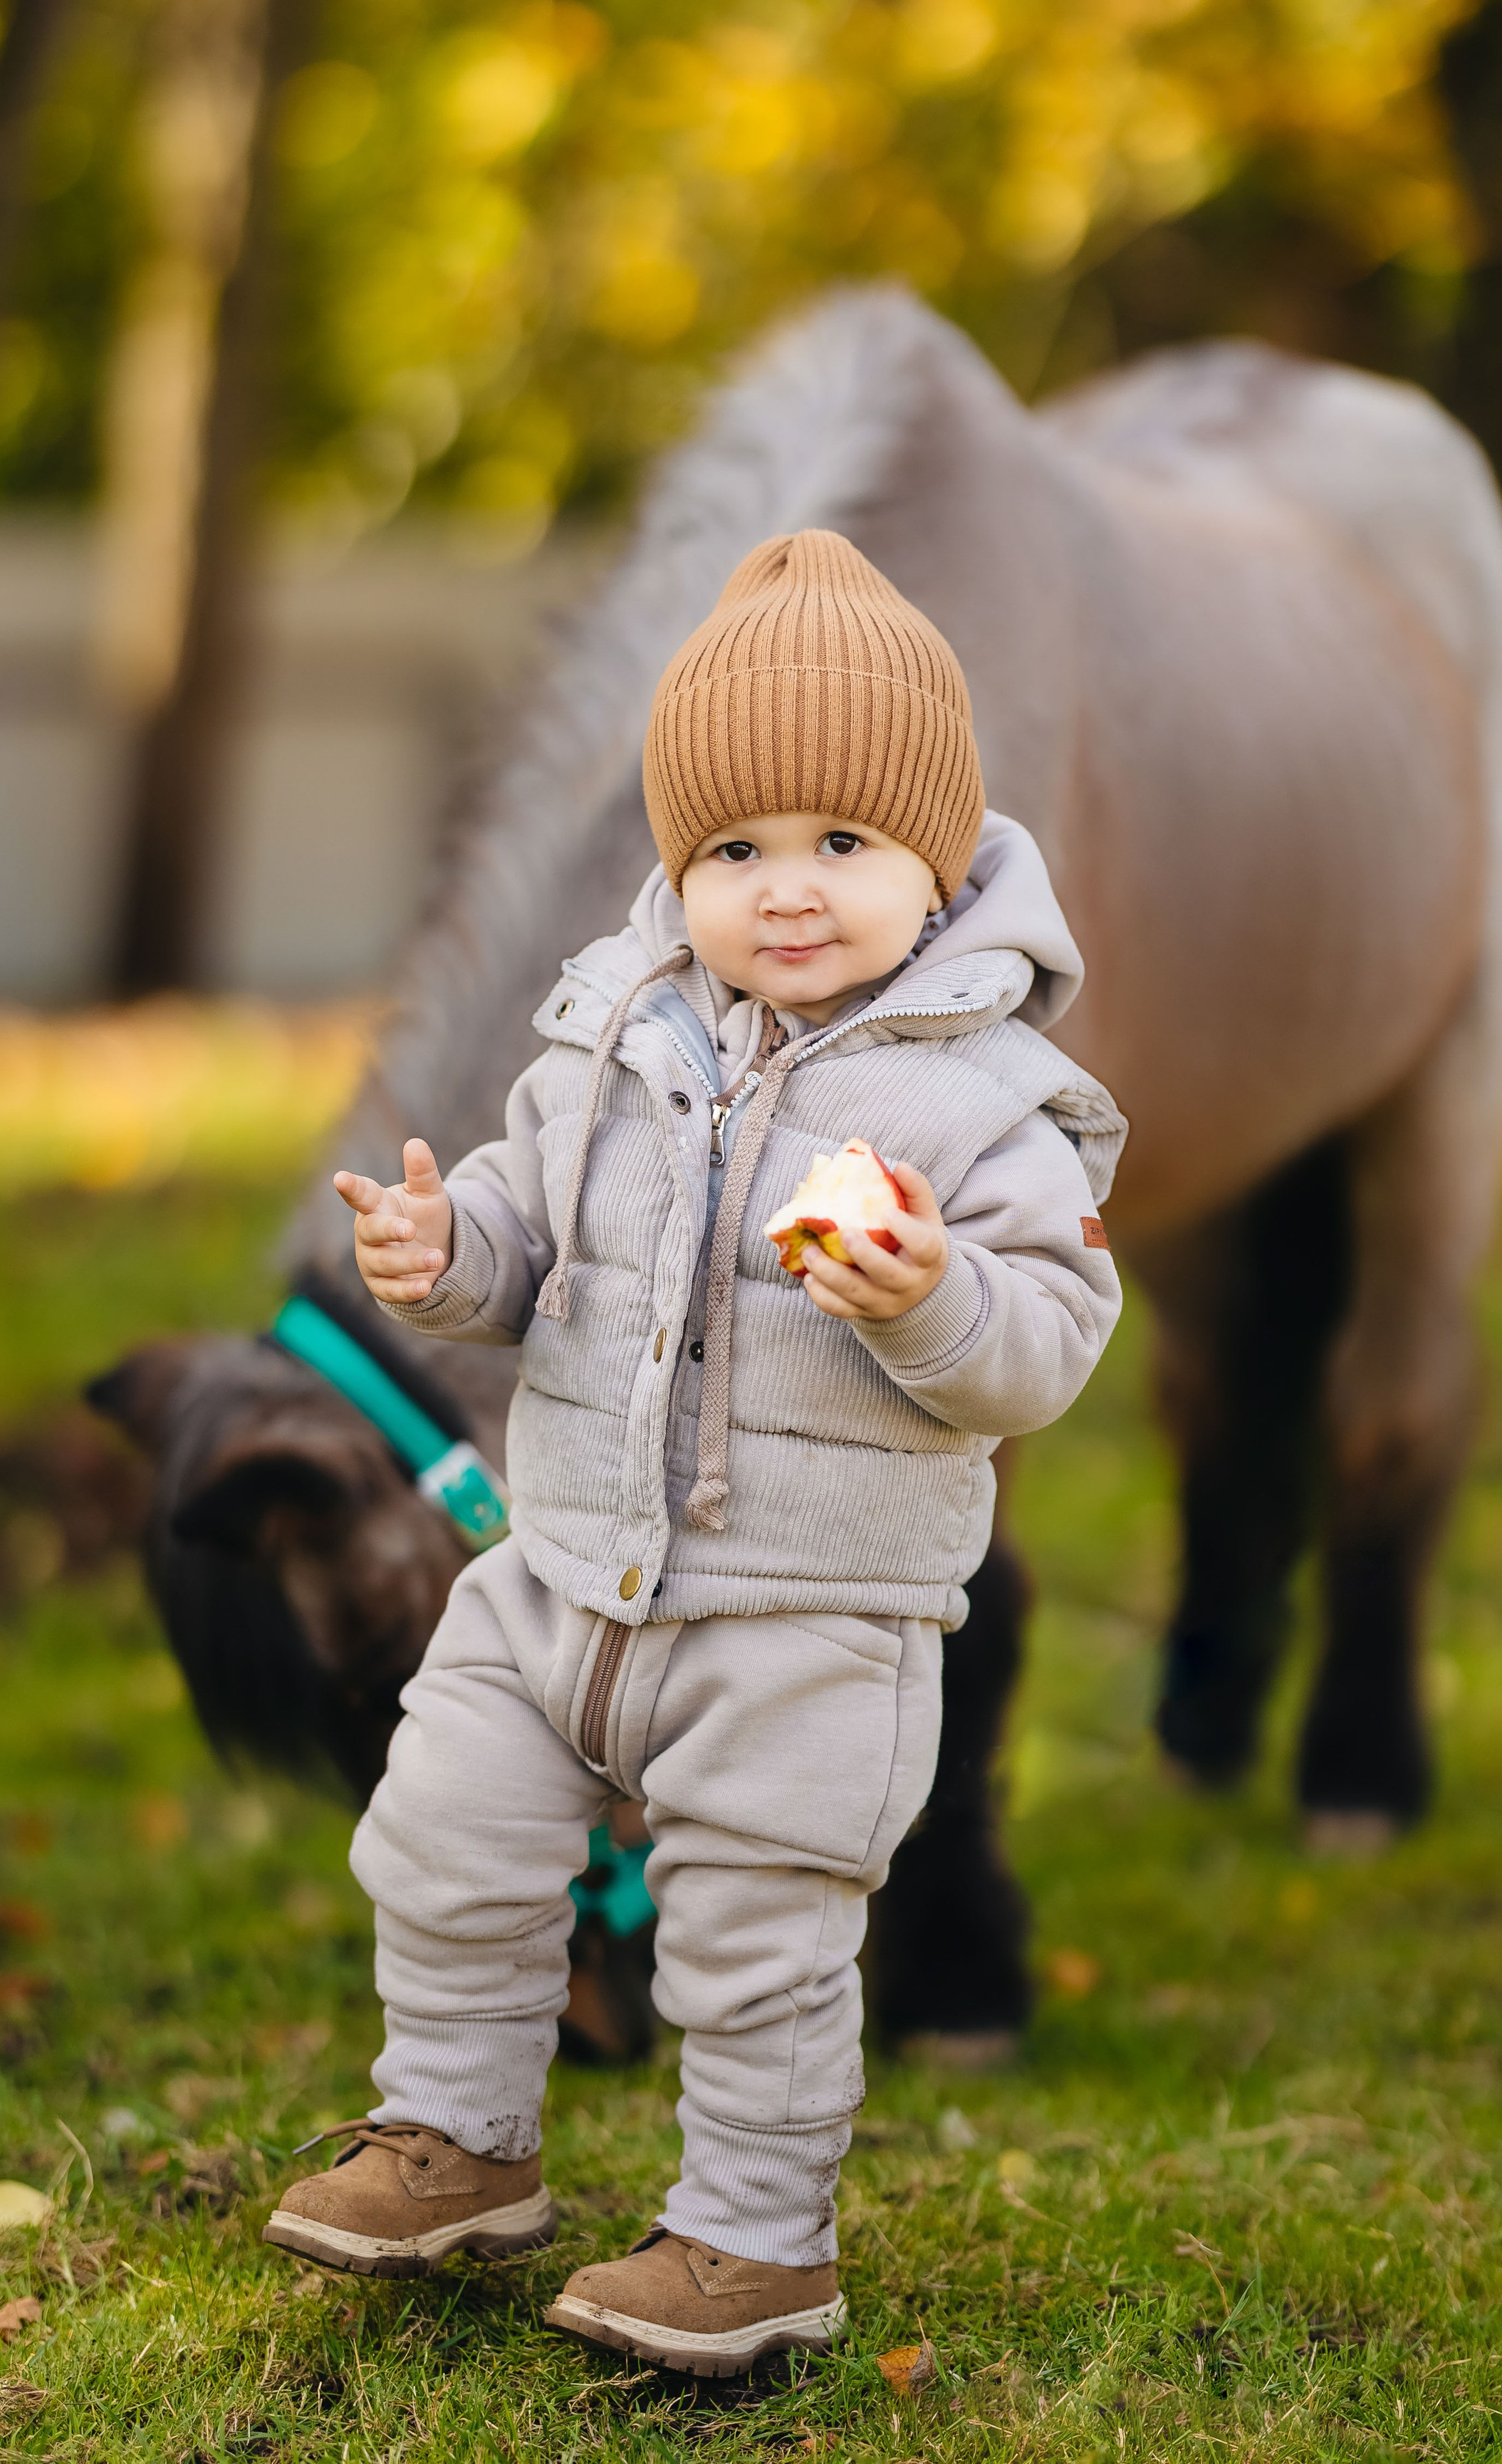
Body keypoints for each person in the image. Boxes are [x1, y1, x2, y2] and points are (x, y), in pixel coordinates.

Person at [261, 529, 1126, 2376]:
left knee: (757, 1942)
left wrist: (929, 1295)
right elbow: (531, 1228)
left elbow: (1045, 1345)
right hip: (565, 1573)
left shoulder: (991, 1108)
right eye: (733, 849)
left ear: (940, 858)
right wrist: (450, 1254)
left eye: (843, 841)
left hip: (806, 1613)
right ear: (677, 865)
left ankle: (751, 2241)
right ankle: (456, 2140)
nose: (785, 889)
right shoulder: (611, 1039)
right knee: (445, 1835)